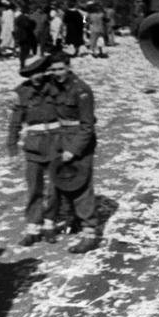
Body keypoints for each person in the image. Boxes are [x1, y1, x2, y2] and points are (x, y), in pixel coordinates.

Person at [47, 52, 100, 253]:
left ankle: (90, 232)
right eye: (53, 69)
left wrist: (73, 150)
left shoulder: (81, 90)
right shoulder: (52, 85)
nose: (57, 73)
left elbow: (88, 126)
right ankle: (74, 219)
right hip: (59, 138)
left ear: (69, 67)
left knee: (81, 185)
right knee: (61, 182)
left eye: (60, 69)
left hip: (79, 141)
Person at [7, 56, 60, 246]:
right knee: (34, 188)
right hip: (33, 147)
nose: (36, 76)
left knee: (55, 188)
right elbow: (15, 124)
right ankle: (33, 227)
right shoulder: (21, 93)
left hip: (56, 143)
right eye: (31, 74)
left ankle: (50, 224)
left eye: (39, 72)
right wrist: (12, 150)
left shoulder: (56, 88)